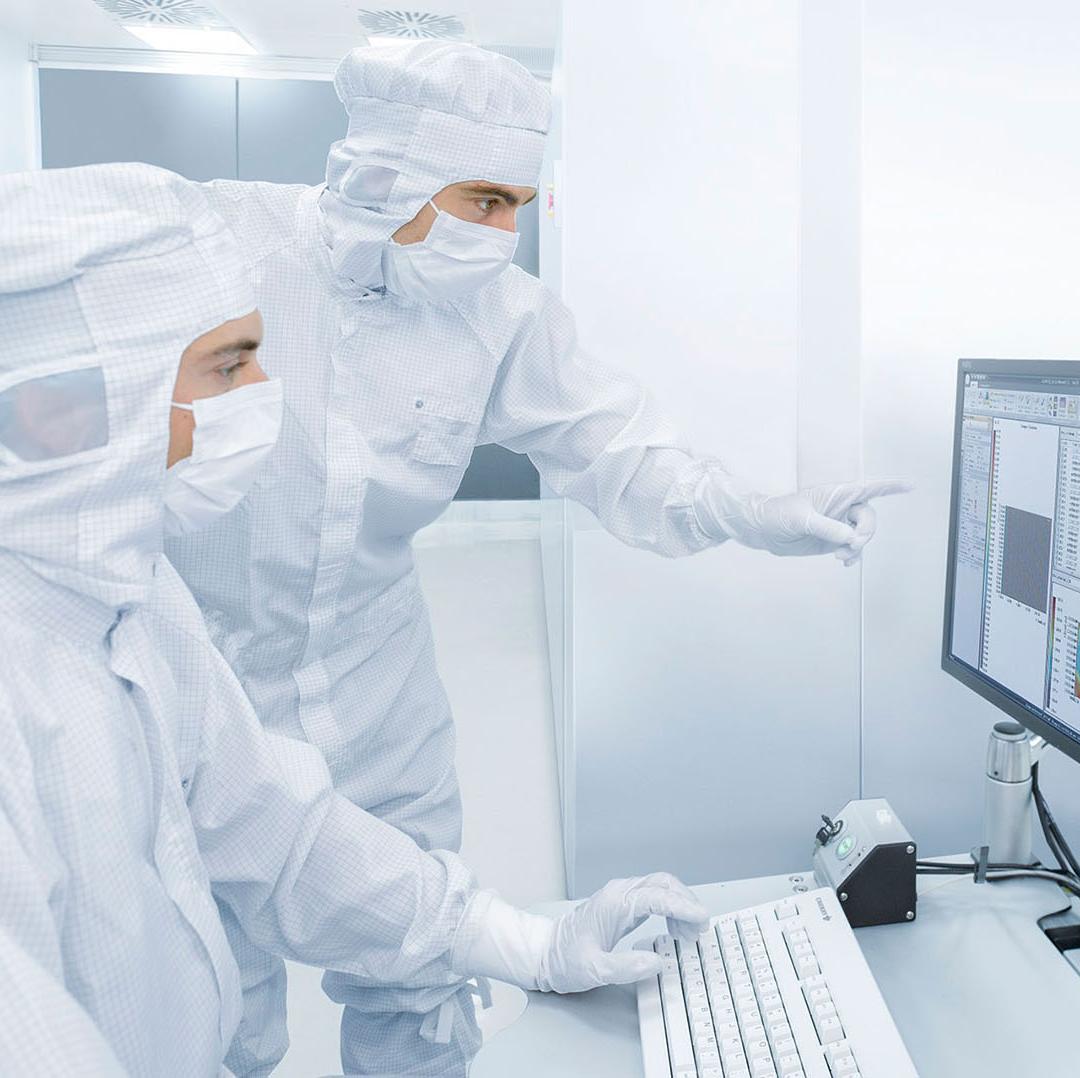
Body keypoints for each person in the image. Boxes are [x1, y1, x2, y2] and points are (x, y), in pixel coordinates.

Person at [167, 40, 910, 1076]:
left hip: (384, 709)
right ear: (386, 174)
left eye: (520, 201)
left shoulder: (498, 317)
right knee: (211, 1014)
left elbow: (619, 452)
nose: (505, 233)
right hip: (205, 706)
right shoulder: (214, 254)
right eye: (483, 198)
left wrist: (756, 509)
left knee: (420, 993)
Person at [0, 162, 708, 1075]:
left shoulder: (123, 600)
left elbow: (277, 831)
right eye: (229, 364)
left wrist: (532, 944)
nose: (265, 391)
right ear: (62, 410)